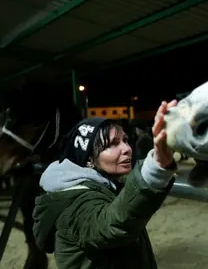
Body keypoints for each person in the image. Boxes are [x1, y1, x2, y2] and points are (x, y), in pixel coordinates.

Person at [32, 100, 178, 268]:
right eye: (112, 144)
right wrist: (156, 165)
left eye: (125, 140)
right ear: (89, 160)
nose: (127, 148)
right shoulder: (75, 205)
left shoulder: (107, 184)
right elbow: (114, 224)